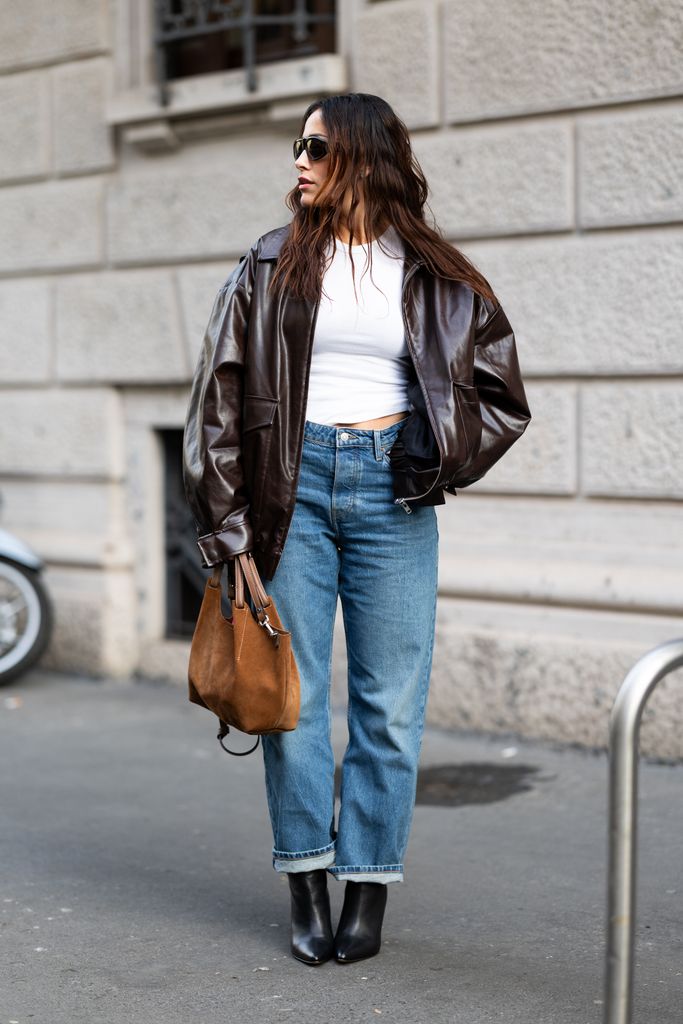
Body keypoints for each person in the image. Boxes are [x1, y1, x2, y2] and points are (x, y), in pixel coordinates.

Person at [183, 93, 531, 966]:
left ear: (363, 157)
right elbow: (217, 401)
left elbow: (499, 397)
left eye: (314, 146)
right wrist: (226, 533)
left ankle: (367, 887)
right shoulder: (267, 266)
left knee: (388, 707)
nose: (296, 161)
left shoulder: (437, 275)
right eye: (295, 145)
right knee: (289, 705)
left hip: (393, 494)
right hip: (286, 497)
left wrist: (429, 456)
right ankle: (306, 876)